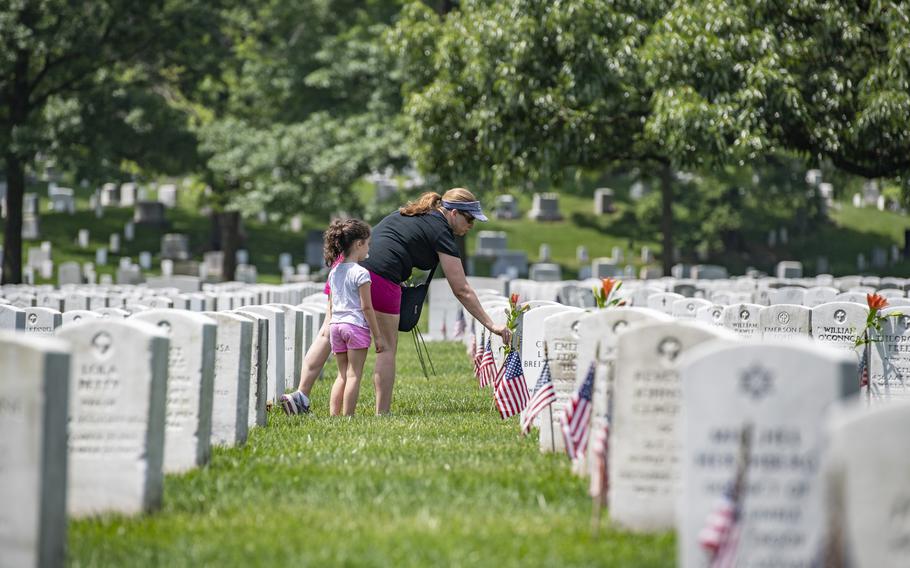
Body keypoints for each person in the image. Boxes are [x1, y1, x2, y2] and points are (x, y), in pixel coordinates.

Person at [360, 187, 511, 414]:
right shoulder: (441, 231)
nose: (471, 226)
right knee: (387, 349)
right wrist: (491, 325)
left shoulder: (416, 214)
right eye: (469, 219)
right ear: (453, 213)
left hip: (350, 268)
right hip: (381, 276)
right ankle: (382, 413)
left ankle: (302, 394)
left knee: (329, 335)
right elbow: (461, 289)